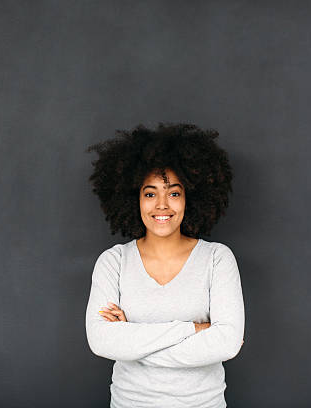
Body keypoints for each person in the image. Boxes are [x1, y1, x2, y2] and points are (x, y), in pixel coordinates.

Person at [84, 122, 245, 408]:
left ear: (189, 198)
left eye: (173, 192)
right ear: (134, 199)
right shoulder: (114, 262)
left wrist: (132, 342)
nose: (162, 205)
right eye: (150, 193)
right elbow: (100, 340)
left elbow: (228, 343)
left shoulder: (217, 259)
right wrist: (195, 329)